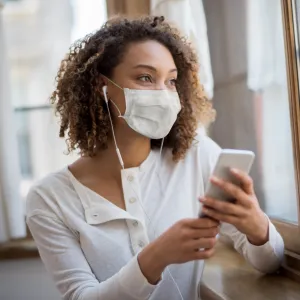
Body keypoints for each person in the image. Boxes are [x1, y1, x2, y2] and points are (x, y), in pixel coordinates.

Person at [26, 16, 284, 300]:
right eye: (145, 78)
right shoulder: (48, 198)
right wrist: (156, 257)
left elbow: (270, 262)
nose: (163, 93)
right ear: (102, 87)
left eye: (171, 81)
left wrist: (257, 227)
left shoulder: (197, 156)